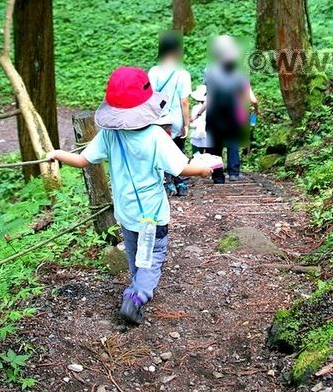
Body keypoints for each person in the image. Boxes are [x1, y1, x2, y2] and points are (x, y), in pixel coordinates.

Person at [46, 66, 213, 326]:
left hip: (125, 214)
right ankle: (136, 298)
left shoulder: (109, 135)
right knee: (153, 257)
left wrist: (57, 153)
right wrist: (202, 170)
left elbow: (81, 160)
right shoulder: (156, 137)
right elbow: (181, 168)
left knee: (136, 255)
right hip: (153, 215)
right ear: (147, 105)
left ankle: (135, 286)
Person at [204, 35, 258, 183]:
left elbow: (210, 93)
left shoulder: (209, 71)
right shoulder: (240, 73)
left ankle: (217, 176)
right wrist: (255, 109)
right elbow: (251, 97)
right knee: (232, 141)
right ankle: (234, 172)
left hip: (214, 111)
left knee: (215, 144)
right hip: (233, 111)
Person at [148, 31, 192, 197]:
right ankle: (180, 183)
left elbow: (150, 97)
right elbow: (184, 101)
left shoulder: (154, 72)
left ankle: (168, 184)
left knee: (162, 151)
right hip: (177, 119)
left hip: (159, 120)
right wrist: (186, 124)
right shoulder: (183, 74)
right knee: (178, 151)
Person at [189, 84, 213, 156]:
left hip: (197, 136)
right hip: (210, 137)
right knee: (210, 157)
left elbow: (193, 124)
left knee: (196, 157)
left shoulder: (196, 108)